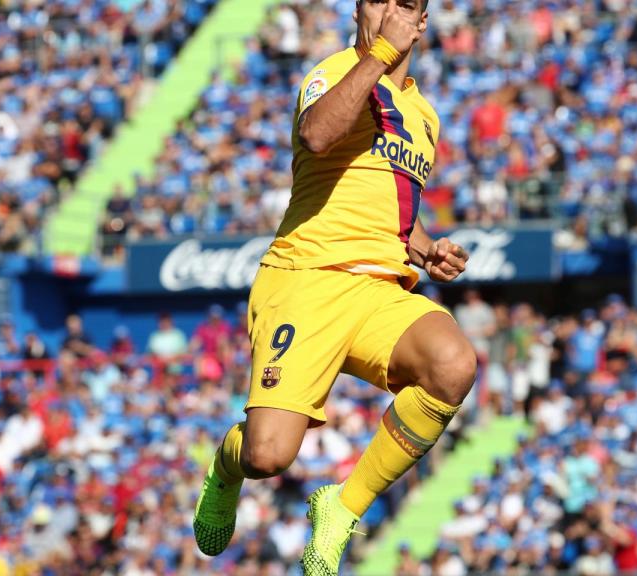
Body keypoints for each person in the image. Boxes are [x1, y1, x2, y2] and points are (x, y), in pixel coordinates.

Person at [192, 2, 477, 574]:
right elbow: (319, 137)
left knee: (454, 364)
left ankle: (342, 507)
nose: (392, 10)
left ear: (422, 23)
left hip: (377, 290)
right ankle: (228, 464)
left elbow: (393, 209)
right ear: (360, 8)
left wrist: (427, 249)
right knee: (269, 456)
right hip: (308, 280)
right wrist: (379, 56)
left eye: (407, 4)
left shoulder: (423, 113)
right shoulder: (332, 74)